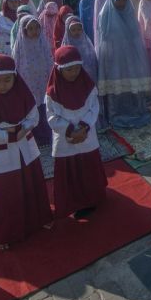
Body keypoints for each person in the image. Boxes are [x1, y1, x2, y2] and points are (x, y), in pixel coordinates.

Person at [0, 54, 53, 250]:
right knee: (7, 194)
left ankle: (38, 219)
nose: (2, 85)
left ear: (15, 77)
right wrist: (12, 134)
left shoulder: (24, 94)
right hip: (3, 153)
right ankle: (8, 232)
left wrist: (21, 129)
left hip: (25, 147)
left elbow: (33, 117)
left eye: (7, 80)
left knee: (31, 184)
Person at [45, 46, 108, 219]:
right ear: (59, 69)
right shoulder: (52, 93)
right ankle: (72, 202)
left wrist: (84, 126)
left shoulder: (88, 86)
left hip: (86, 135)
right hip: (66, 139)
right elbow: (51, 116)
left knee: (88, 168)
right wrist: (71, 130)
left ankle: (91, 199)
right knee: (69, 172)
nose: (73, 73)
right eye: (68, 69)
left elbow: (94, 107)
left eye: (77, 68)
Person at [96, 0, 151, 128]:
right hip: (113, 57)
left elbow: (135, 35)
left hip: (130, 55)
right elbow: (104, 39)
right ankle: (117, 114)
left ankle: (135, 111)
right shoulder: (105, 14)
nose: (121, 3)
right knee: (117, 86)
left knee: (132, 84)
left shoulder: (129, 12)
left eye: (123, 0)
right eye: (118, 0)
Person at [12, 16, 54, 145]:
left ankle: (46, 135)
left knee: (44, 108)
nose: (34, 31)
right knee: (31, 109)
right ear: (24, 30)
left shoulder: (43, 41)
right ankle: (35, 137)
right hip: (28, 83)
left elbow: (49, 59)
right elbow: (15, 64)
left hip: (43, 81)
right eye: (30, 28)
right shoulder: (20, 45)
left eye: (36, 28)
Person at [61, 15, 98, 83]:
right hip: (74, 75)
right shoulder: (66, 44)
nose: (76, 32)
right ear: (68, 31)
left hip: (89, 74)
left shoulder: (87, 42)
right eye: (73, 30)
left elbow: (93, 58)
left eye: (79, 29)